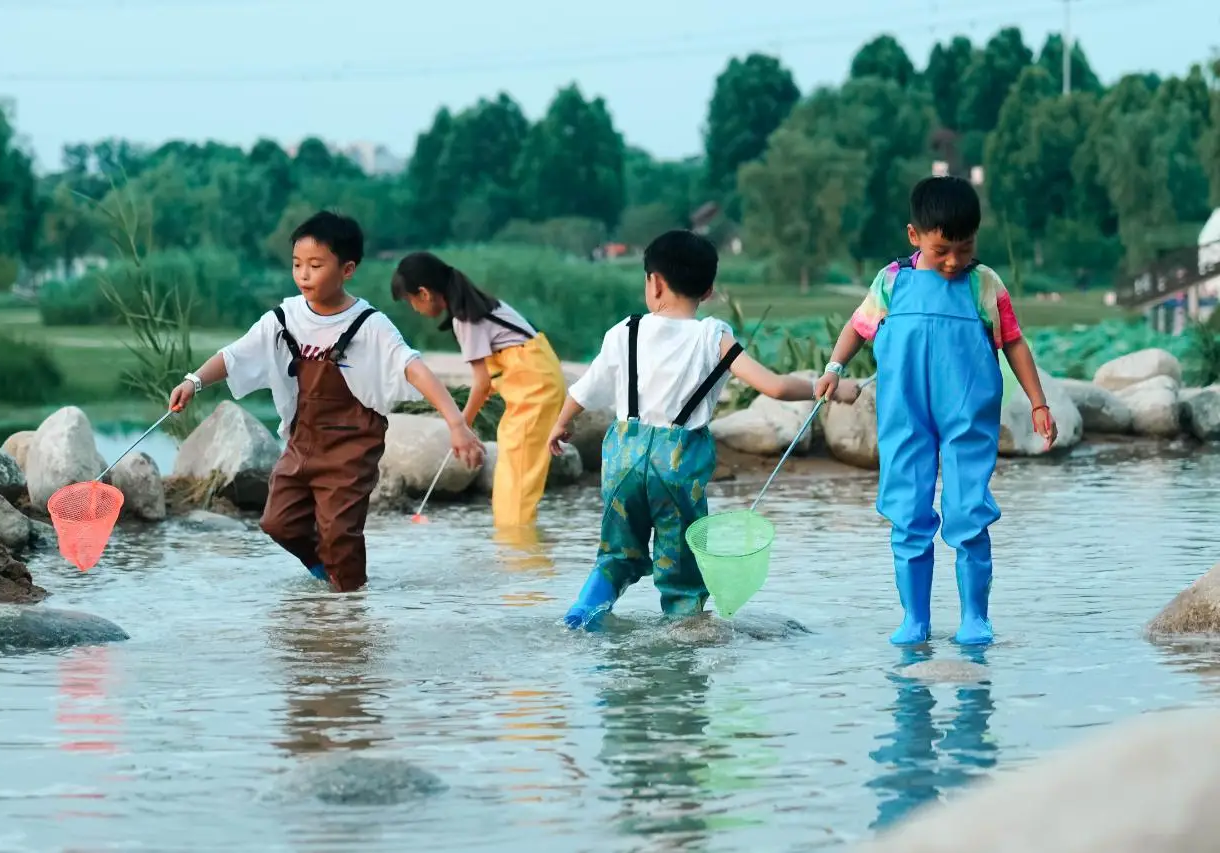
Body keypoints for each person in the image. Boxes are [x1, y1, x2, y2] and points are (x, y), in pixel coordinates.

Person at [547, 229, 862, 630]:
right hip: (676, 471)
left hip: (621, 463)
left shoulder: (625, 330)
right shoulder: (713, 337)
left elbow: (585, 389)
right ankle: (682, 658)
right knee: (681, 573)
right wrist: (833, 388)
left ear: (654, 282)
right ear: (709, 290)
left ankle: (579, 618)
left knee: (615, 555)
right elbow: (776, 386)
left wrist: (560, 423)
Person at [167, 211, 484, 593]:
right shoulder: (284, 318)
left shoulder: (369, 324)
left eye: (315, 265)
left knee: (340, 532)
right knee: (276, 522)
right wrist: (194, 380)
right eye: (297, 264)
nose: (303, 274)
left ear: (347, 269)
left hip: (352, 447)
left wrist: (455, 422)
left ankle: (350, 609)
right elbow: (236, 354)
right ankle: (325, 570)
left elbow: (413, 368)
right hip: (303, 441)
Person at [815, 176, 1058, 647]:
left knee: (969, 510)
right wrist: (832, 367)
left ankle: (974, 619)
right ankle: (915, 619)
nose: (953, 261)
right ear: (914, 236)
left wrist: (1038, 402)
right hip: (906, 418)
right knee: (908, 513)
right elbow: (857, 328)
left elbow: (1013, 342)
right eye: (942, 249)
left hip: (968, 417)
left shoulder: (984, 283)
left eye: (964, 249)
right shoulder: (890, 281)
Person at [391, 251, 566, 531]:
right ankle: (520, 554)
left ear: (424, 293)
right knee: (514, 478)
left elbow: (482, 382)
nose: (414, 308)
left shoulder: (466, 319)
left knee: (516, 485)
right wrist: (464, 427)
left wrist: (461, 427)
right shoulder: (480, 306)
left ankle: (520, 559)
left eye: (410, 301)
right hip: (536, 383)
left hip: (534, 390)